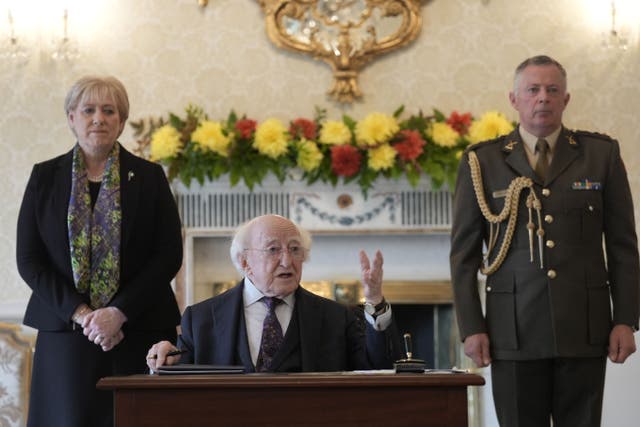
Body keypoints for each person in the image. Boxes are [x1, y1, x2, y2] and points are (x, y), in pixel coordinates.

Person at [450, 55, 639, 427]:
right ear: (514, 98)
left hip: (583, 327)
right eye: (533, 90)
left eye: (553, 90)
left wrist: (626, 320)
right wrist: (472, 326)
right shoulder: (482, 162)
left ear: (566, 99)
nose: (543, 98)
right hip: (513, 329)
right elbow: (464, 256)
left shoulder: (601, 155)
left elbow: (622, 247)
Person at [16, 76, 183, 427]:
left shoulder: (150, 176)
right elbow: (30, 260)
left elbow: (168, 254)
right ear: (71, 118)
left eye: (109, 111)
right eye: (88, 110)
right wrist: (83, 315)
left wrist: (118, 312)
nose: (99, 118)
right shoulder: (44, 177)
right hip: (66, 334)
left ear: (121, 121)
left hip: (138, 330)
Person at [146, 214, 402, 372]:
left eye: (295, 250)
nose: (287, 261)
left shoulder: (335, 317)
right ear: (245, 262)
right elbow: (181, 376)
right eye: (273, 250)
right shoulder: (200, 318)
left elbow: (377, 368)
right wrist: (168, 357)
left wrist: (375, 301)